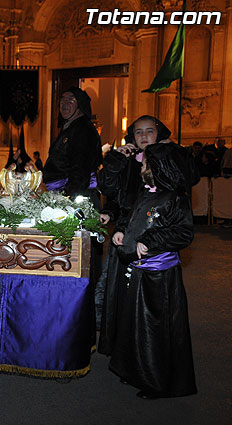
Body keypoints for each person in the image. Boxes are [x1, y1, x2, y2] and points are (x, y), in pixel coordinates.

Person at [108, 142, 197, 399]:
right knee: (135, 325)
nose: (141, 167)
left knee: (154, 328)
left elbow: (182, 232)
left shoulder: (175, 200)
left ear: (159, 168)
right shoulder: (146, 193)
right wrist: (121, 231)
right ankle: (136, 370)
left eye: (145, 163)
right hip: (137, 272)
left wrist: (150, 240)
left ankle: (159, 381)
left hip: (158, 277)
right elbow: (129, 217)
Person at [97, 115, 170, 348]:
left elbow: (185, 185)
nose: (144, 136)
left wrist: (172, 152)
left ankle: (148, 348)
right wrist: (115, 159)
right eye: (139, 132)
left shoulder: (167, 160)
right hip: (125, 234)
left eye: (150, 131)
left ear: (158, 133)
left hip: (154, 236)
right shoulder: (128, 160)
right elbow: (110, 189)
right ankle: (123, 346)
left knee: (149, 298)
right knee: (121, 292)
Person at [43, 87, 102, 206]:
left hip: (74, 195)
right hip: (59, 192)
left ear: (80, 104)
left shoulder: (83, 129)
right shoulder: (69, 127)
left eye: (71, 100)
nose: (64, 104)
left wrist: (67, 199)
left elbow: (80, 168)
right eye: (62, 100)